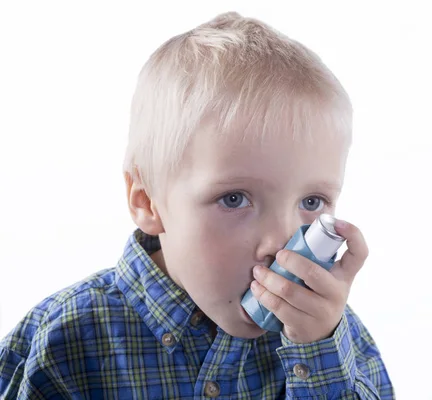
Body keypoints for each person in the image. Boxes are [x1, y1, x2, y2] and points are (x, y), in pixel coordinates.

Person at [0, 11, 395, 399]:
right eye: (234, 199)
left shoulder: (332, 342)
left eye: (312, 201)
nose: (281, 240)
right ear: (148, 203)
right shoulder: (63, 343)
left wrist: (318, 354)